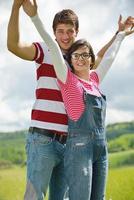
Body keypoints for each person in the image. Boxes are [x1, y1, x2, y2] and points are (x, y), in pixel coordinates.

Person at [7, 0, 134, 199]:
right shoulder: (45, 50)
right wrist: (16, 8)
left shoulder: (79, 60)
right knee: (34, 196)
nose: (65, 36)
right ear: (54, 32)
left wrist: (119, 34)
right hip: (43, 138)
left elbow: (101, 57)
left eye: (70, 31)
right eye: (60, 31)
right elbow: (13, 46)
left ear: (76, 32)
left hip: (71, 144)